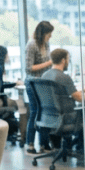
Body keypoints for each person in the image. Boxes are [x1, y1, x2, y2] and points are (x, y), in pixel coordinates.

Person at [44, 47, 85, 162]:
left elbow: (68, 93)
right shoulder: (64, 77)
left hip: (51, 117)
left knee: (83, 112)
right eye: (68, 59)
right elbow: (79, 98)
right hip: (67, 118)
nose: (68, 61)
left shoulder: (46, 75)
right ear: (64, 60)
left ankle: (80, 148)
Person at [24, 20, 54, 154]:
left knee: (45, 112)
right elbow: (29, 68)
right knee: (35, 112)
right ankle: (30, 143)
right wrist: (49, 63)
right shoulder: (32, 46)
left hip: (44, 83)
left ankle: (44, 143)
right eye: (49, 34)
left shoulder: (46, 44)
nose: (50, 36)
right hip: (33, 83)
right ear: (43, 33)